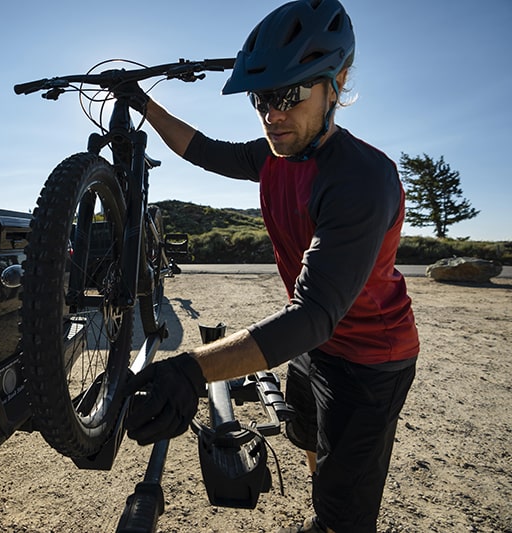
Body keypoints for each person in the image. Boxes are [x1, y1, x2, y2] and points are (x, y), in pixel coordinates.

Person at [120, 1, 419, 532]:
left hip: (371, 361)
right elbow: (202, 150)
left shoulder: (361, 179)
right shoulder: (273, 157)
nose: (271, 114)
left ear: (338, 82)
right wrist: (142, 102)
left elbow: (313, 312)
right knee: (306, 436)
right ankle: (321, 501)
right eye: (261, 98)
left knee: (343, 514)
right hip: (313, 344)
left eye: (289, 94)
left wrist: (189, 369)